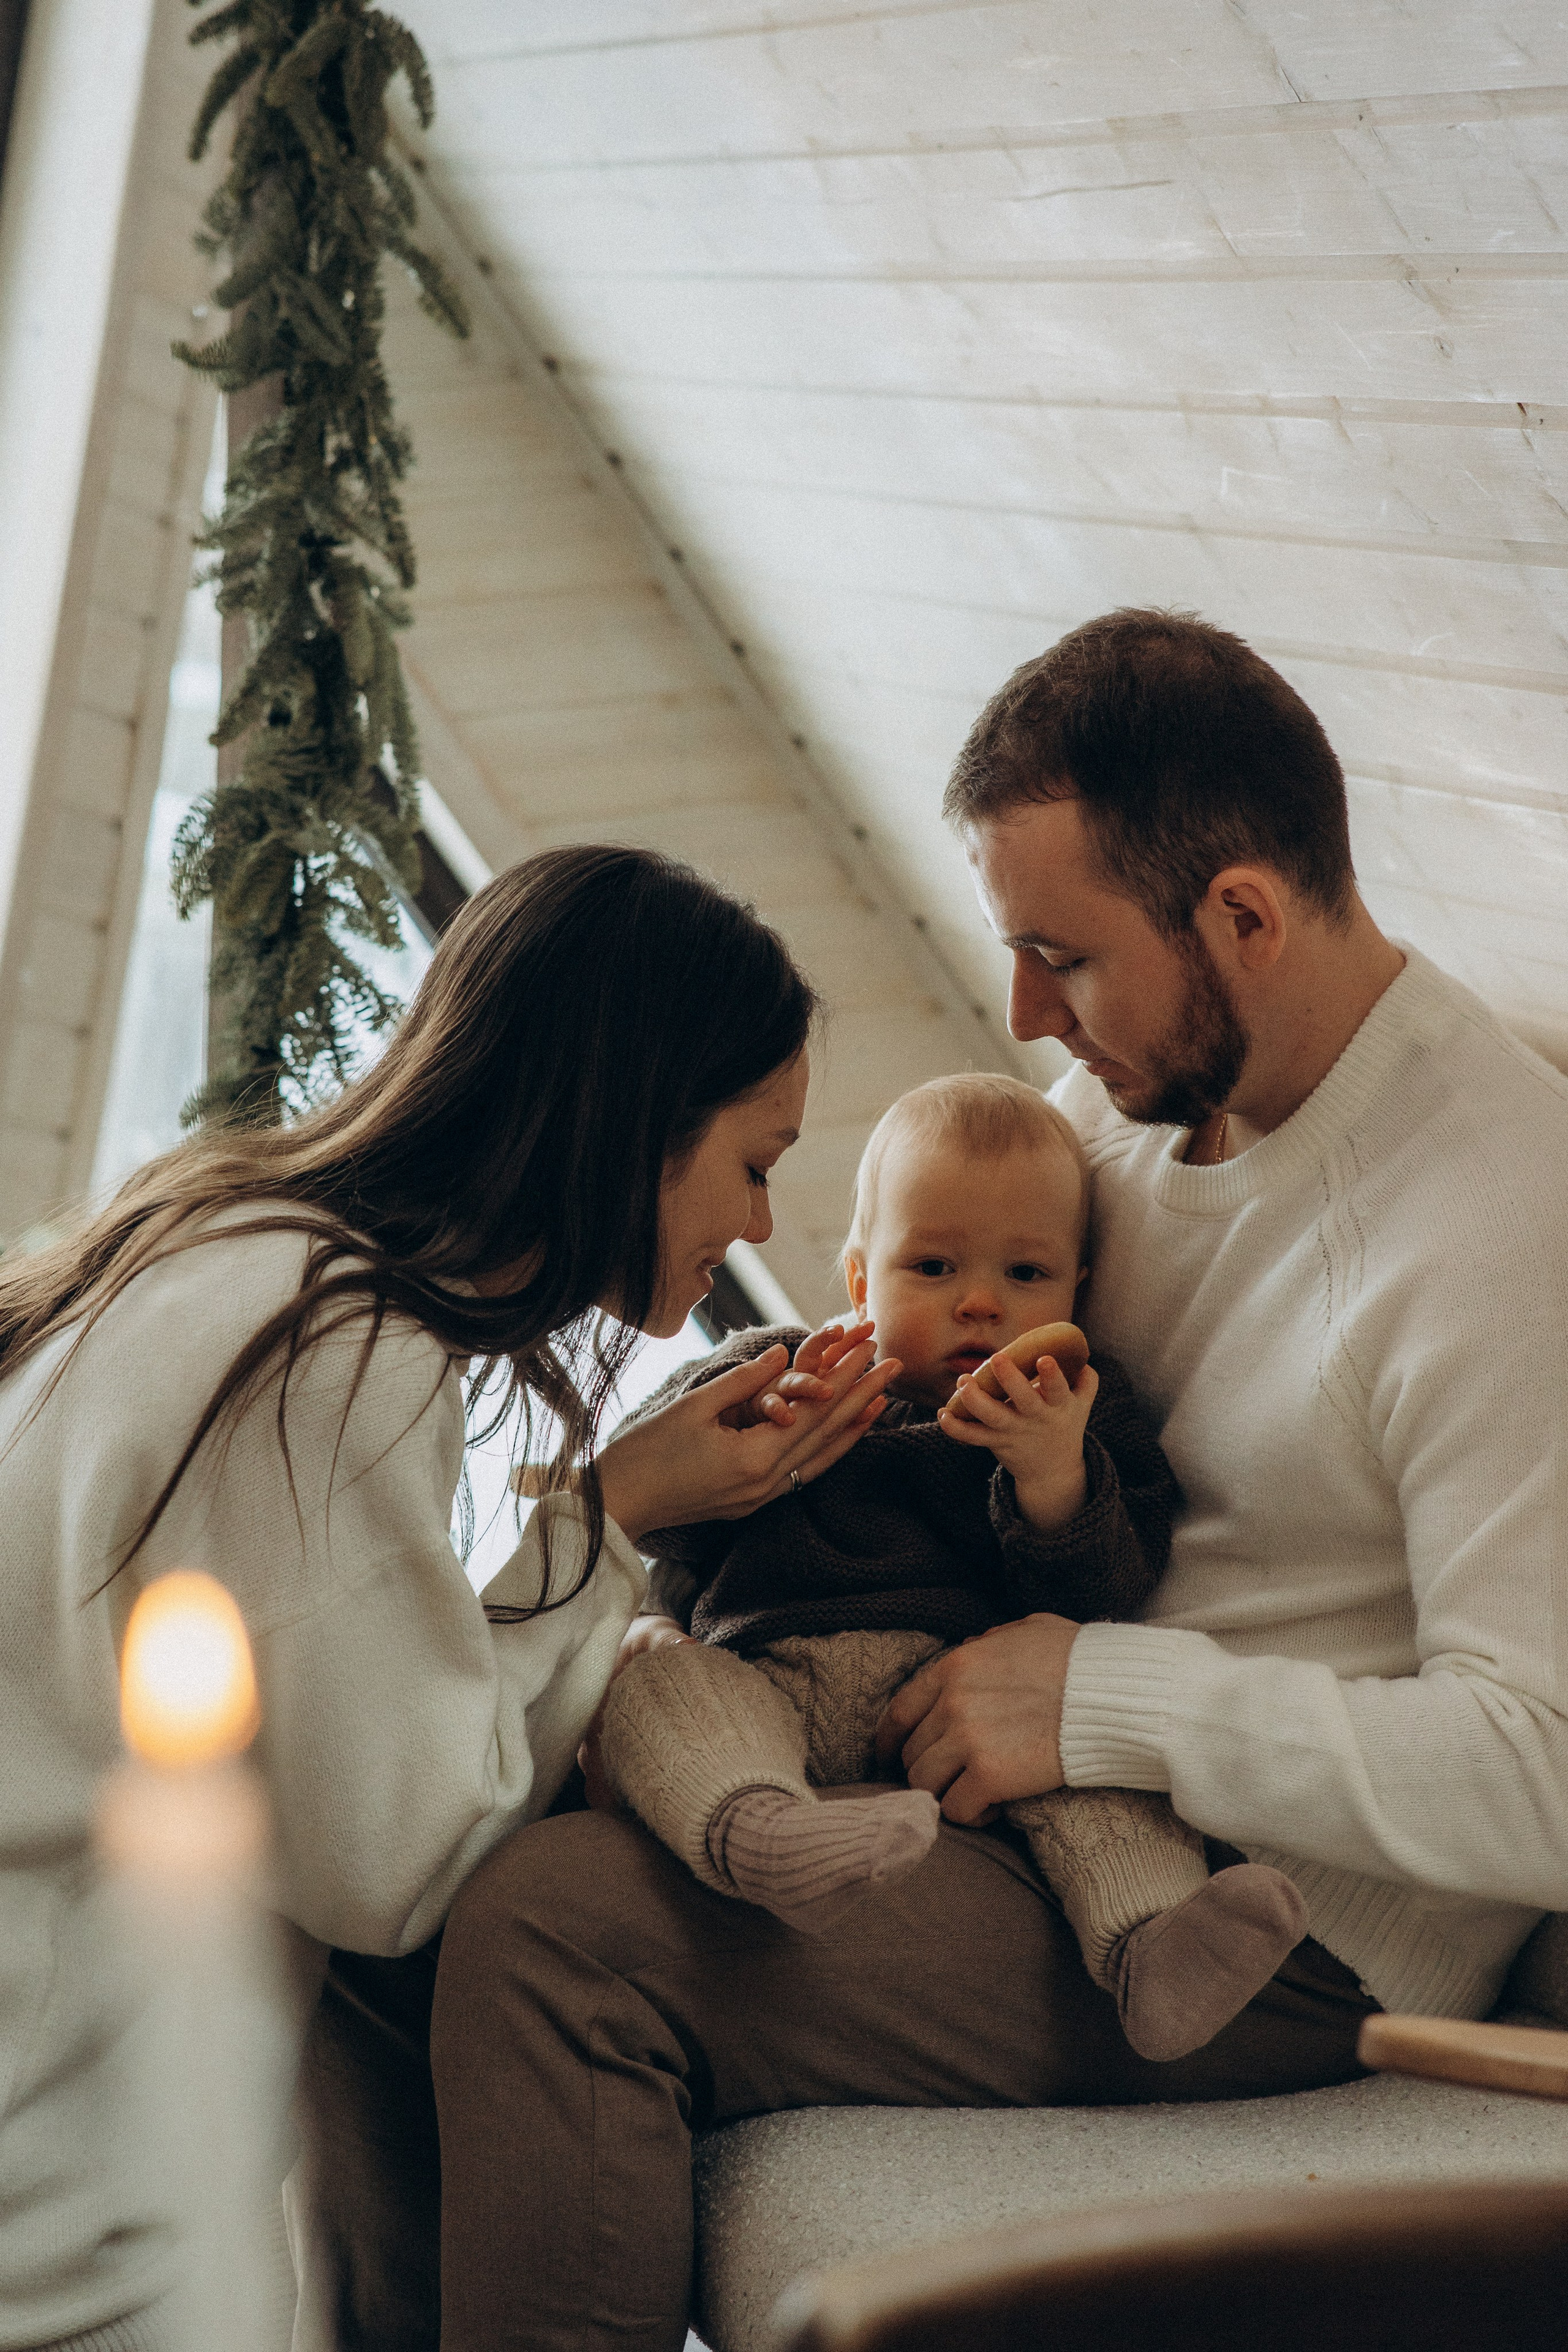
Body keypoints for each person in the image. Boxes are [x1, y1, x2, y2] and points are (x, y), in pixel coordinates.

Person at [428, 610, 1568, 2352]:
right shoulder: (1131, 1105)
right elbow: (948, 1307)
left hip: (1266, 1925)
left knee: (553, 1938)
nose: (1028, 1010)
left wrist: (1107, 1701)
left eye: (1063, 957)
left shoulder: (1498, 1218)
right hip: (1013, 1774)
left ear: (1244, 917)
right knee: (470, 1808)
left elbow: (1543, 1773)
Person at [0, 844, 895, 2352]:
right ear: (628, 1121)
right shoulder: (319, 1351)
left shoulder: (226, 1250)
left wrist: (610, 1503)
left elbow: (333, 1702)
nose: (755, 1225)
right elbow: (398, 1854)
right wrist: (615, 1520)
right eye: (754, 1160)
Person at [597, 1071, 1308, 2063]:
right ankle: (764, 1836)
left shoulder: (1077, 1418)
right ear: (859, 1283)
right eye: (932, 1267)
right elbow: (655, 1519)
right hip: (770, 1684)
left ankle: (1154, 1945)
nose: (980, 1304)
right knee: (657, 1681)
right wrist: (758, 1425)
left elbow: (1104, 1599)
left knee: (1091, 1764)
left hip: (964, 1727)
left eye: (1026, 1276)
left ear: (1079, 1293)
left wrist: (1053, 1478)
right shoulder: (783, 1369)